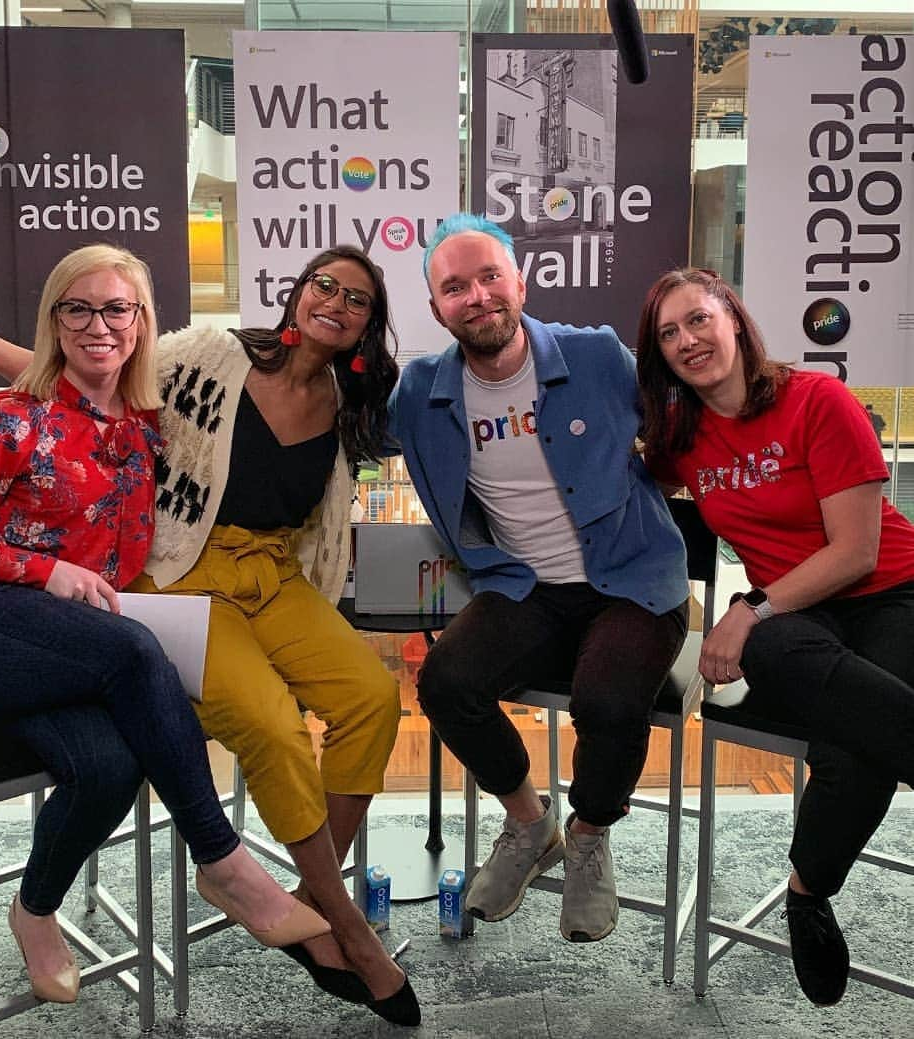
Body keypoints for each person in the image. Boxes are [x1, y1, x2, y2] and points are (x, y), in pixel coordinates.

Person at [0, 245, 418, 1026]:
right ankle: (230, 862)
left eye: (356, 298)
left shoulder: (137, 427)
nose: (100, 326)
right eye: (78, 309)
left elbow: (98, 367)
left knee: (111, 765)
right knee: (150, 658)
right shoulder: (24, 410)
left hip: (100, 624)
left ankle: (38, 908)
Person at [387, 213, 690, 943]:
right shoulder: (420, 393)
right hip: (522, 585)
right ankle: (530, 824)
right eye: (454, 287)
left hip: (632, 581)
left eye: (489, 275)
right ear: (436, 310)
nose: (477, 295)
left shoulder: (597, 357)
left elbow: (687, 423)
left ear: (520, 281)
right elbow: (336, 424)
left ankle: (589, 836)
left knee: (608, 699)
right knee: (444, 682)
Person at [635, 266, 914, 1007]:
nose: (687, 340)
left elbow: (854, 552)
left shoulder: (815, 399)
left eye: (697, 319)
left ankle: (805, 890)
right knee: (772, 649)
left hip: (891, 592)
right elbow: (628, 482)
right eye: (668, 333)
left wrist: (747, 608)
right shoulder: (680, 437)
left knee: (853, 748)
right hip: (798, 619)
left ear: (732, 317)